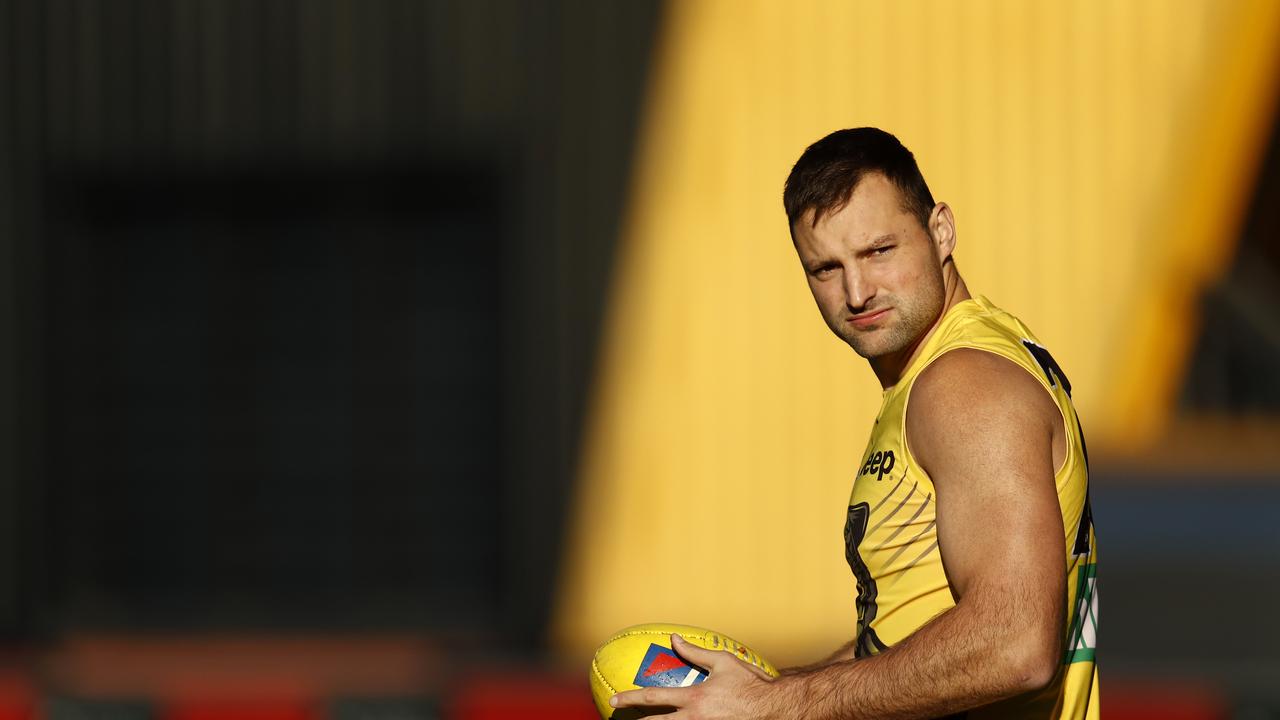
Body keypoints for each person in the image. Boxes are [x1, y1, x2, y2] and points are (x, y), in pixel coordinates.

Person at [611, 128, 1099, 718]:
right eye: (825, 268)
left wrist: (779, 706)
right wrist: (758, 693)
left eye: (878, 251)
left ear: (940, 229)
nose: (858, 291)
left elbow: (1014, 645)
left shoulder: (965, 387)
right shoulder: (948, 369)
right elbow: (912, 629)